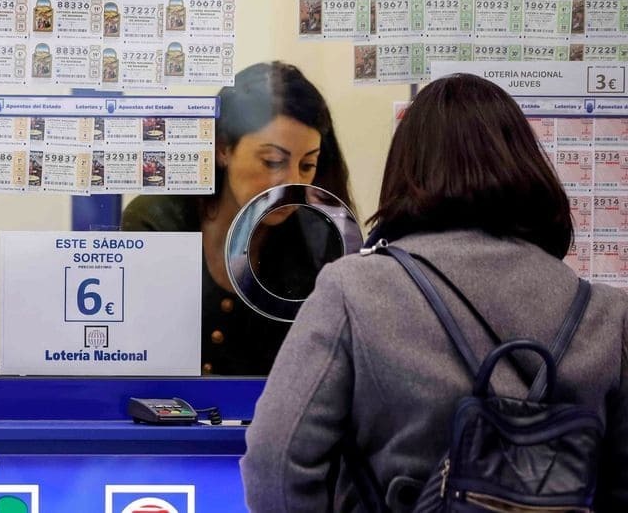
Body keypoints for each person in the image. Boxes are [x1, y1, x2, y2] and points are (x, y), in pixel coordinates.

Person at [241, 74, 628, 510]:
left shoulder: (354, 291)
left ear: (407, 169)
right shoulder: (606, 314)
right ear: (528, 167)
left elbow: (275, 460)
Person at [122, 61, 353, 375]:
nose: (292, 184)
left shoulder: (321, 238)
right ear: (222, 149)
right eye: (272, 161)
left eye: (307, 165)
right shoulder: (157, 222)